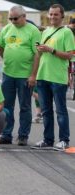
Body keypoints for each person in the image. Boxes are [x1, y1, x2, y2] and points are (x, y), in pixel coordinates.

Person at [30, 4, 75, 151]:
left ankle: (64, 140)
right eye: (51, 14)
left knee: (60, 110)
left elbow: (70, 55)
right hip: (43, 76)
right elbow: (39, 55)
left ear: (62, 16)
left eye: (56, 14)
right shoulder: (46, 31)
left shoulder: (66, 33)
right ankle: (48, 139)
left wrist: (51, 49)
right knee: (46, 111)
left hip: (58, 78)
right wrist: (34, 74)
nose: (52, 17)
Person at [0, 5, 41, 146]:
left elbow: (38, 54)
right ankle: (6, 134)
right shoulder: (7, 29)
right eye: (10, 18)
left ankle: (23, 135)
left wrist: (33, 75)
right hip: (8, 74)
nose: (13, 21)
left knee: (25, 106)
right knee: (7, 106)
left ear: (24, 16)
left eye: (15, 18)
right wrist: (7, 59)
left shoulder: (33, 31)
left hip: (25, 76)